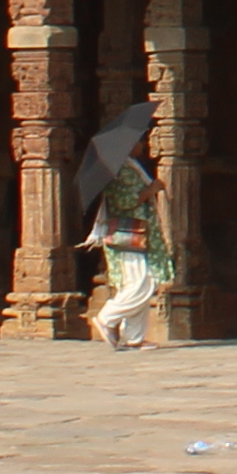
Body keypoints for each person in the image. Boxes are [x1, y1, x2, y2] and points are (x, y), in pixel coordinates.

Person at [83, 102, 172, 347]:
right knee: (141, 281)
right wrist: (152, 189)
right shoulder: (120, 171)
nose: (142, 145)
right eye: (139, 141)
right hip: (128, 233)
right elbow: (125, 202)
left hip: (142, 232)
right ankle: (107, 317)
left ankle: (134, 338)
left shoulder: (132, 167)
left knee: (145, 280)